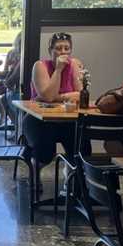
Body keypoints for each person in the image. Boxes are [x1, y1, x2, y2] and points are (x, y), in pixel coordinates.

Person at [23, 32, 88, 169]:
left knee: (82, 146)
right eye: (58, 48)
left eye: (66, 48)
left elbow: (81, 95)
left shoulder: (74, 64)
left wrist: (59, 97)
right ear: (50, 51)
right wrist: (58, 70)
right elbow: (48, 97)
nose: (63, 52)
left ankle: (72, 180)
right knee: (45, 152)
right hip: (39, 120)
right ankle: (35, 174)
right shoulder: (40, 66)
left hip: (67, 120)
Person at [0, 31, 22, 126]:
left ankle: (12, 123)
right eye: (19, 42)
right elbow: (5, 72)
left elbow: (13, 77)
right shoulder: (11, 53)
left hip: (16, 85)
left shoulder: (25, 56)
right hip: (8, 81)